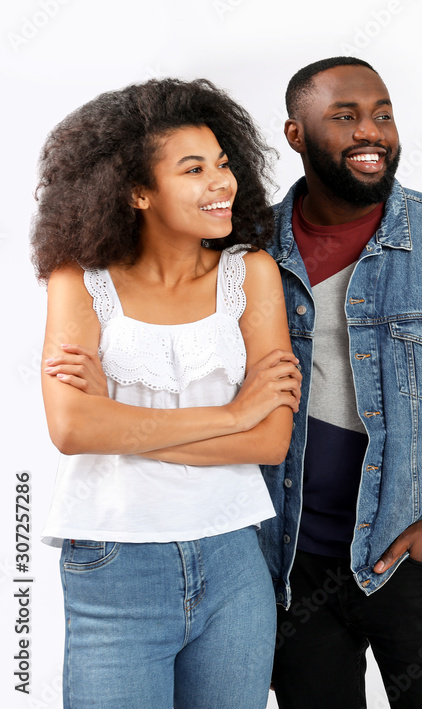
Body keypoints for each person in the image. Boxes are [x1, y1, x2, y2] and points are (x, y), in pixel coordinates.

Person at [34, 78, 301, 708]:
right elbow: (72, 430)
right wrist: (232, 413)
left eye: (224, 164)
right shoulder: (81, 281)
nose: (222, 183)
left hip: (235, 556)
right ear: (136, 191)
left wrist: (121, 424)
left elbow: (270, 441)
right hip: (114, 564)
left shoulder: (251, 273)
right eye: (193, 169)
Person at [263, 57, 422, 708]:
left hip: (418, 561)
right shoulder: (249, 250)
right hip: (290, 566)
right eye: (344, 117)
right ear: (295, 134)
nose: (370, 131)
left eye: (382, 113)